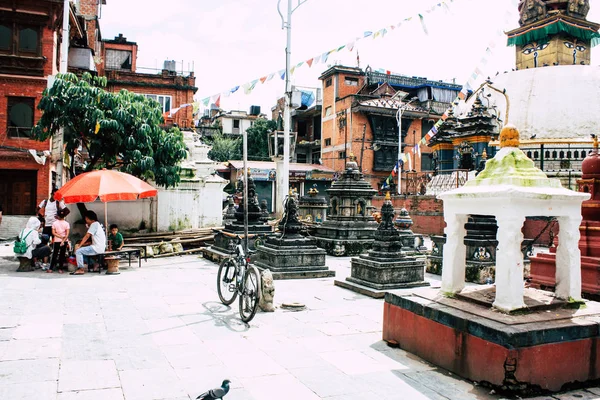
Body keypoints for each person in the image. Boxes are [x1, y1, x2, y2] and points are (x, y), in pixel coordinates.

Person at [73, 210, 106, 275]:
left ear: (88, 218)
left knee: (78, 251)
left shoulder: (94, 224)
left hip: (97, 248)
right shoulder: (97, 224)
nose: (85, 220)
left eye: (86, 219)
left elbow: (87, 236)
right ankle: (95, 263)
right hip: (100, 247)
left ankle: (81, 269)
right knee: (81, 252)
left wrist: (79, 245)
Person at [48, 209, 70, 274]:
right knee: (62, 255)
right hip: (64, 241)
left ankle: (51, 268)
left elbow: (53, 232)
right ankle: (60, 269)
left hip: (57, 240)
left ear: (58, 216)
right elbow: (67, 234)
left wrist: (60, 237)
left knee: (54, 254)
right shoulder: (67, 223)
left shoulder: (54, 223)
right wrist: (63, 240)